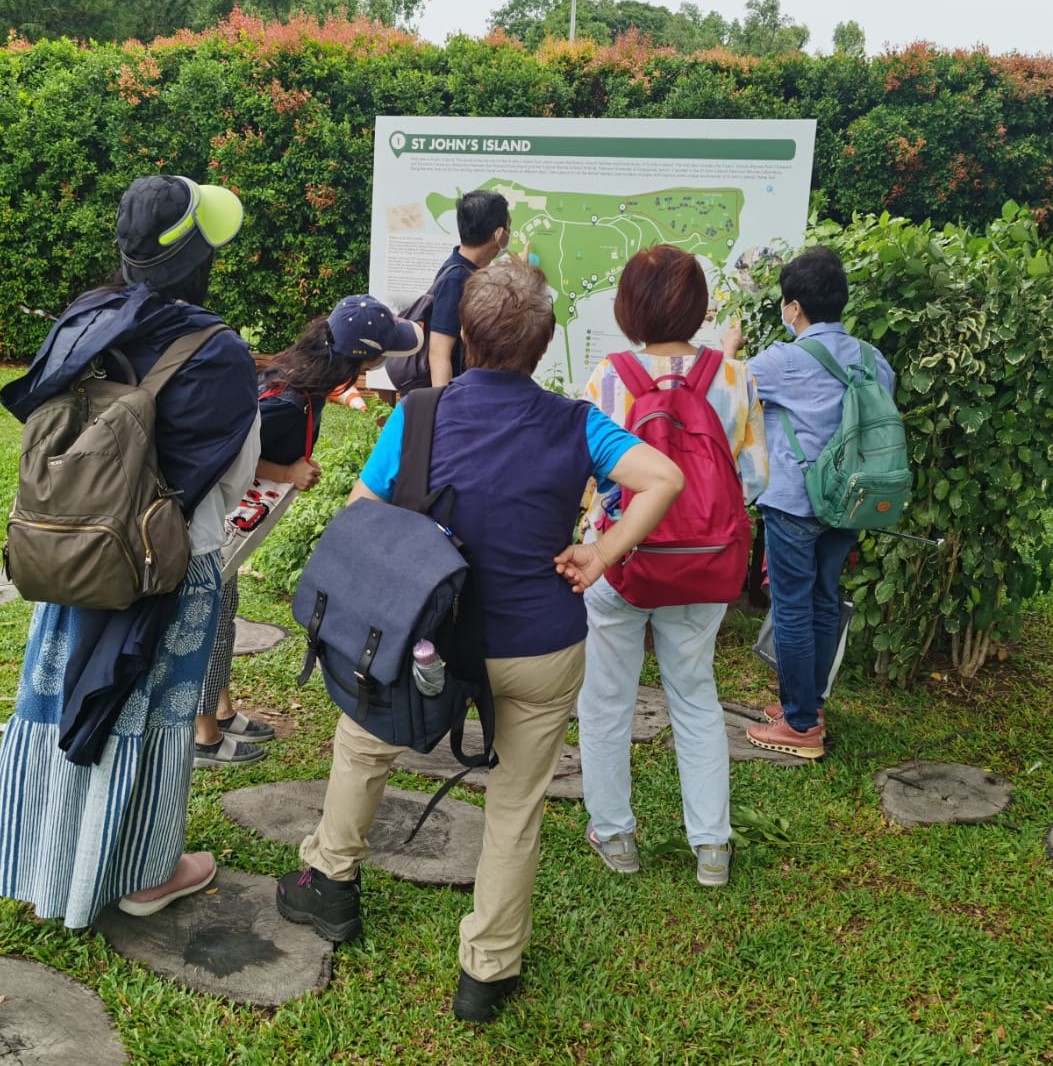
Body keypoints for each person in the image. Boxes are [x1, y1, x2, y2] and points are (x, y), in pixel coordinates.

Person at [274, 260, 685, 1023]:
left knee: (364, 746)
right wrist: (600, 554)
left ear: (464, 336)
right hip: (539, 646)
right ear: (543, 344)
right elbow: (662, 477)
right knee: (516, 805)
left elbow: (365, 513)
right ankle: (487, 972)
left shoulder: (418, 414)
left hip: (425, 635)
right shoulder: (576, 422)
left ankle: (330, 885)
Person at [0, 174, 260, 926]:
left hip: (70, 554)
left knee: (58, 697)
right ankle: (144, 872)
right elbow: (230, 485)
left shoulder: (84, 320)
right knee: (148, 715)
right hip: (167, 571)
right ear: (199, 256)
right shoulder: (218, 351)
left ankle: (41, 860)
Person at [575, 245, 768, 888]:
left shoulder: (609, 375)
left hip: (621, 560)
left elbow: (590, 473)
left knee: (607, 700)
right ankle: (711, 846)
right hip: (704, 566)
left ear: (629, 307)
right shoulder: (735, 377)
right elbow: (757, 481)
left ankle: (616, 833)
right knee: (695, 693)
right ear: (698, 305)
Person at [192, 296, 417, 767]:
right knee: (211, 619)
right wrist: (287, 471)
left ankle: (221, 709)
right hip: (207, 522)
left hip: (226, 522)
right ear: (365, 359)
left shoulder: (293, 375)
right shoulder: (290, 404)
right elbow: (222, 455)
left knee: (225, 608)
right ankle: (202, 735)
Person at [744, 246, 895, 760]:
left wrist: (729, 349)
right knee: (824, 601)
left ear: (793, 306)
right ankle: (807, 705)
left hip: (794, 504)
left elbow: (726, 392)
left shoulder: (782, 361)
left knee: (791, 608)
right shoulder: (873, 359)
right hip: (851, 501)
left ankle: (802, 726)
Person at [424, 189, 513, 388]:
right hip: (456, 395)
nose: (510, 233)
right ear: (498, 234)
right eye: (509, 227)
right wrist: (444, 406)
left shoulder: (471, 271)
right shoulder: (456, 279)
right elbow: (439, 354)